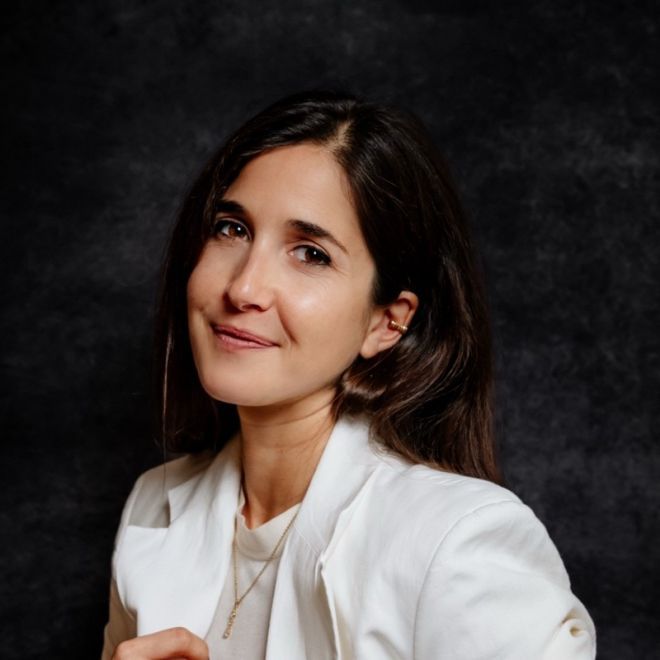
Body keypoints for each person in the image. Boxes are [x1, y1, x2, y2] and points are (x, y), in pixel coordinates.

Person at [101, 90, 596, 659]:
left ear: (387, 322)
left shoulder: (458, 540)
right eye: (232, 229)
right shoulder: (154, 504)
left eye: (311, 253)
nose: (243, 288)